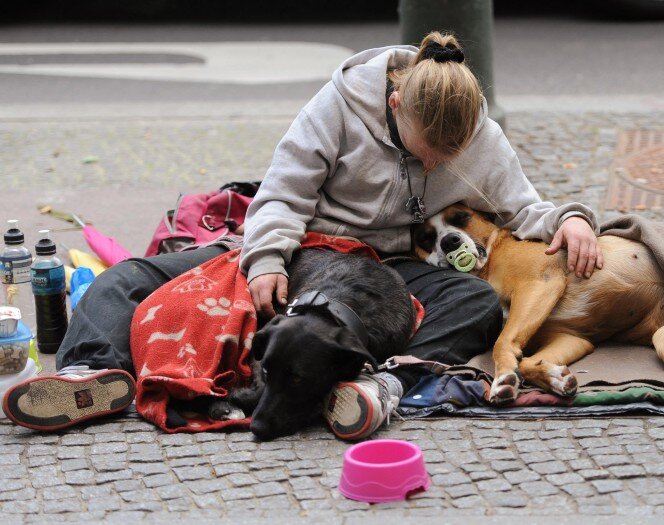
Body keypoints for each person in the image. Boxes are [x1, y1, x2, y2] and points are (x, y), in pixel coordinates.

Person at [2, 32, 601, 439]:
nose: (443, 165)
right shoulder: (337, 107)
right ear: (395, 103)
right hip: (301, 249)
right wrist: (266, 261)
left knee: (472, 300)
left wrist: (570, 219)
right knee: (127, 277)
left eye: (455, 154)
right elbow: (282, 197)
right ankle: (90, 376)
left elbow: (522, 206)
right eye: (429, 154)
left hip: (386, 269)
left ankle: (383, 383)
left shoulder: (475, 133)